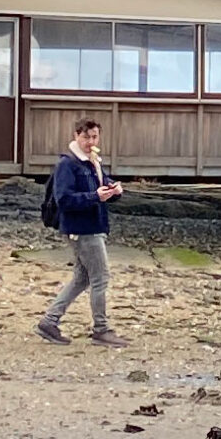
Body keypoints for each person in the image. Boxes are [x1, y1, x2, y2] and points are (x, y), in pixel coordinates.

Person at [40, 117, 128, 346]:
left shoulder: (93, 161)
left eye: (94, 137)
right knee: (100, 277)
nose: (90, 141)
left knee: (82, 278)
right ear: (76, 136)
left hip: (93, 226)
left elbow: (100, 185)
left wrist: (113, 189)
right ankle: (101, 330)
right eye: (86, 137)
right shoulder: (67, 164)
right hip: (81, 229)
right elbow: (64, 200)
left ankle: (49, 321)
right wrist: (95, 196)